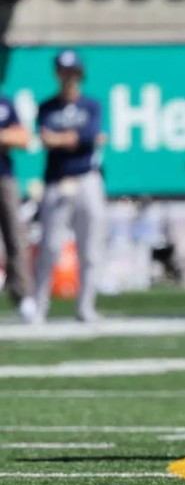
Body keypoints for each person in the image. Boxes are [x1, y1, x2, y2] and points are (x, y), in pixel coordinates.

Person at [33, 50, 107, 324]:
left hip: (87, 177)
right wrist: (71, 139)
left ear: (80, 74)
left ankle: (85, 306)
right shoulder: (47, 106)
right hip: (57, 180)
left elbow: (89, 137)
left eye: (72, 72)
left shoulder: (91, 105)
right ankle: (39, 305)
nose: (68, 78)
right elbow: (46, 138)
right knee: (49, 246)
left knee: (90, 248)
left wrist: (61, 139)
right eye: (64, 72)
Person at [0, 93, 34, 321]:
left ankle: (22, 295)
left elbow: (23, 137)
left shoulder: (4, 103)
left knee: (15, 235)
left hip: (4, 175)